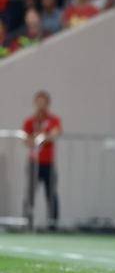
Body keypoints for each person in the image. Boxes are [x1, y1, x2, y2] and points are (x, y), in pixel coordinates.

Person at [22, 90, 63, 230]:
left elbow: (55, 134)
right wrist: (42, 137)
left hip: (48, 163)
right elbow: (27, 141)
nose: (41, 105)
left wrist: (40, 138)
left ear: (48, 104)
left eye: (43, 102)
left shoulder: (54, 120)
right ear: (35, 103)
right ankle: (27, 224)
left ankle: (53, 225)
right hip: (33, 163)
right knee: (30, 194)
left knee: (51, 194)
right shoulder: (29, 121)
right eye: (38, 102)